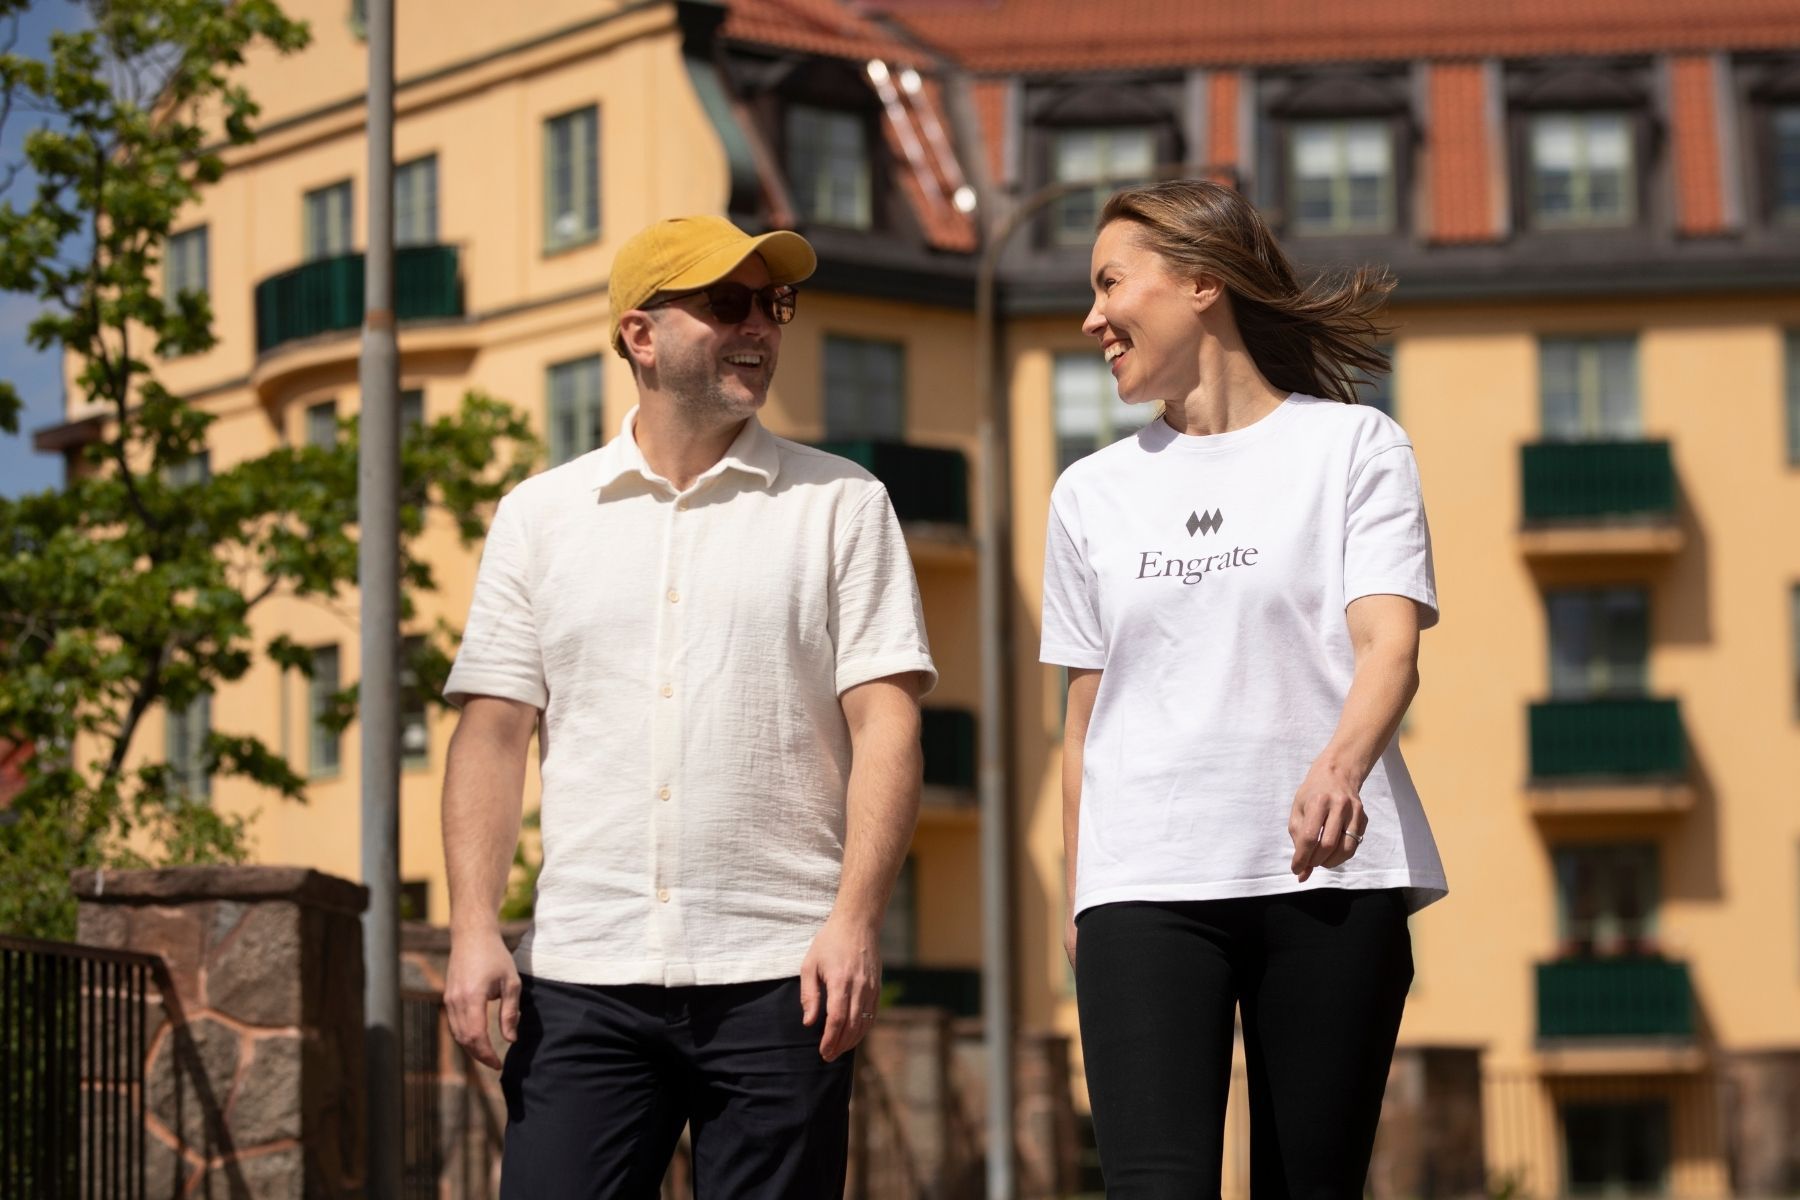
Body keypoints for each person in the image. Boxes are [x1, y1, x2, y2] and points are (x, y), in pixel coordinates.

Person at [439, 214, 936, 1198]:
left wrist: (857, 920)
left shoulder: (843, 504)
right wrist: (469, 925)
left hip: (783, 975)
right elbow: (491, 734)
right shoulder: (540, 517)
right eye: (727, 304)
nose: (759, 325)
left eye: (773, 303)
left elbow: (888, 723)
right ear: (640, 334)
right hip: (583, 974)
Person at [1041, 179, 1448, 1197]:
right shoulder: (1090, 493)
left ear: (1202, 283)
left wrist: (1341, 764)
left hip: (1326, 878)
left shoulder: (1354, 448)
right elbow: (1084, 711)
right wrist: (1079, 893)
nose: (1092, 317)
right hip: (1143, 884)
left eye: (1110, 283)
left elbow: (1388, 646)